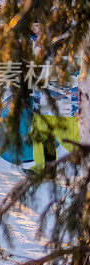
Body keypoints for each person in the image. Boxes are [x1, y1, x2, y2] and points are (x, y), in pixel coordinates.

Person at [29, 22, 80, 172]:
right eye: (33, 25)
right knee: (41, 133)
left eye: (37, 24)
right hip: (43, 100)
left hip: (64, 102)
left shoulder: (66, 43)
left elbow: (74, 72)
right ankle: (45, 168)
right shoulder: (35, 44)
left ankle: (85, 161)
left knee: (67, 135)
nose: (34, 27)